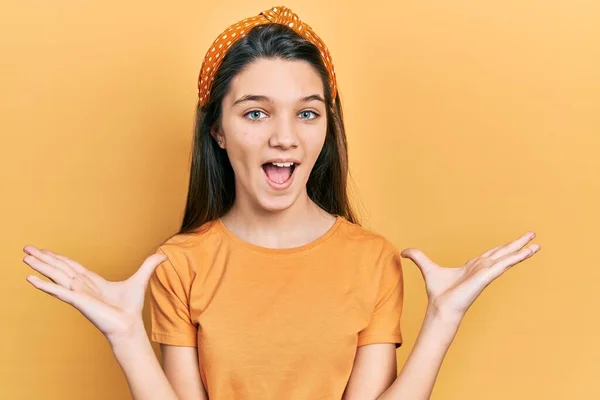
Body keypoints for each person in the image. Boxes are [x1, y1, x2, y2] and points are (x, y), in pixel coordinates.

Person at [22, 5, 541, 400]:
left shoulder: (373, 260)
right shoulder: (179, 264)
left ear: (327, 128)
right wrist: (126, 336)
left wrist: (442, 319)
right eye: (255, 113)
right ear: (217, 131)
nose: (285, 138)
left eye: (307, 113)